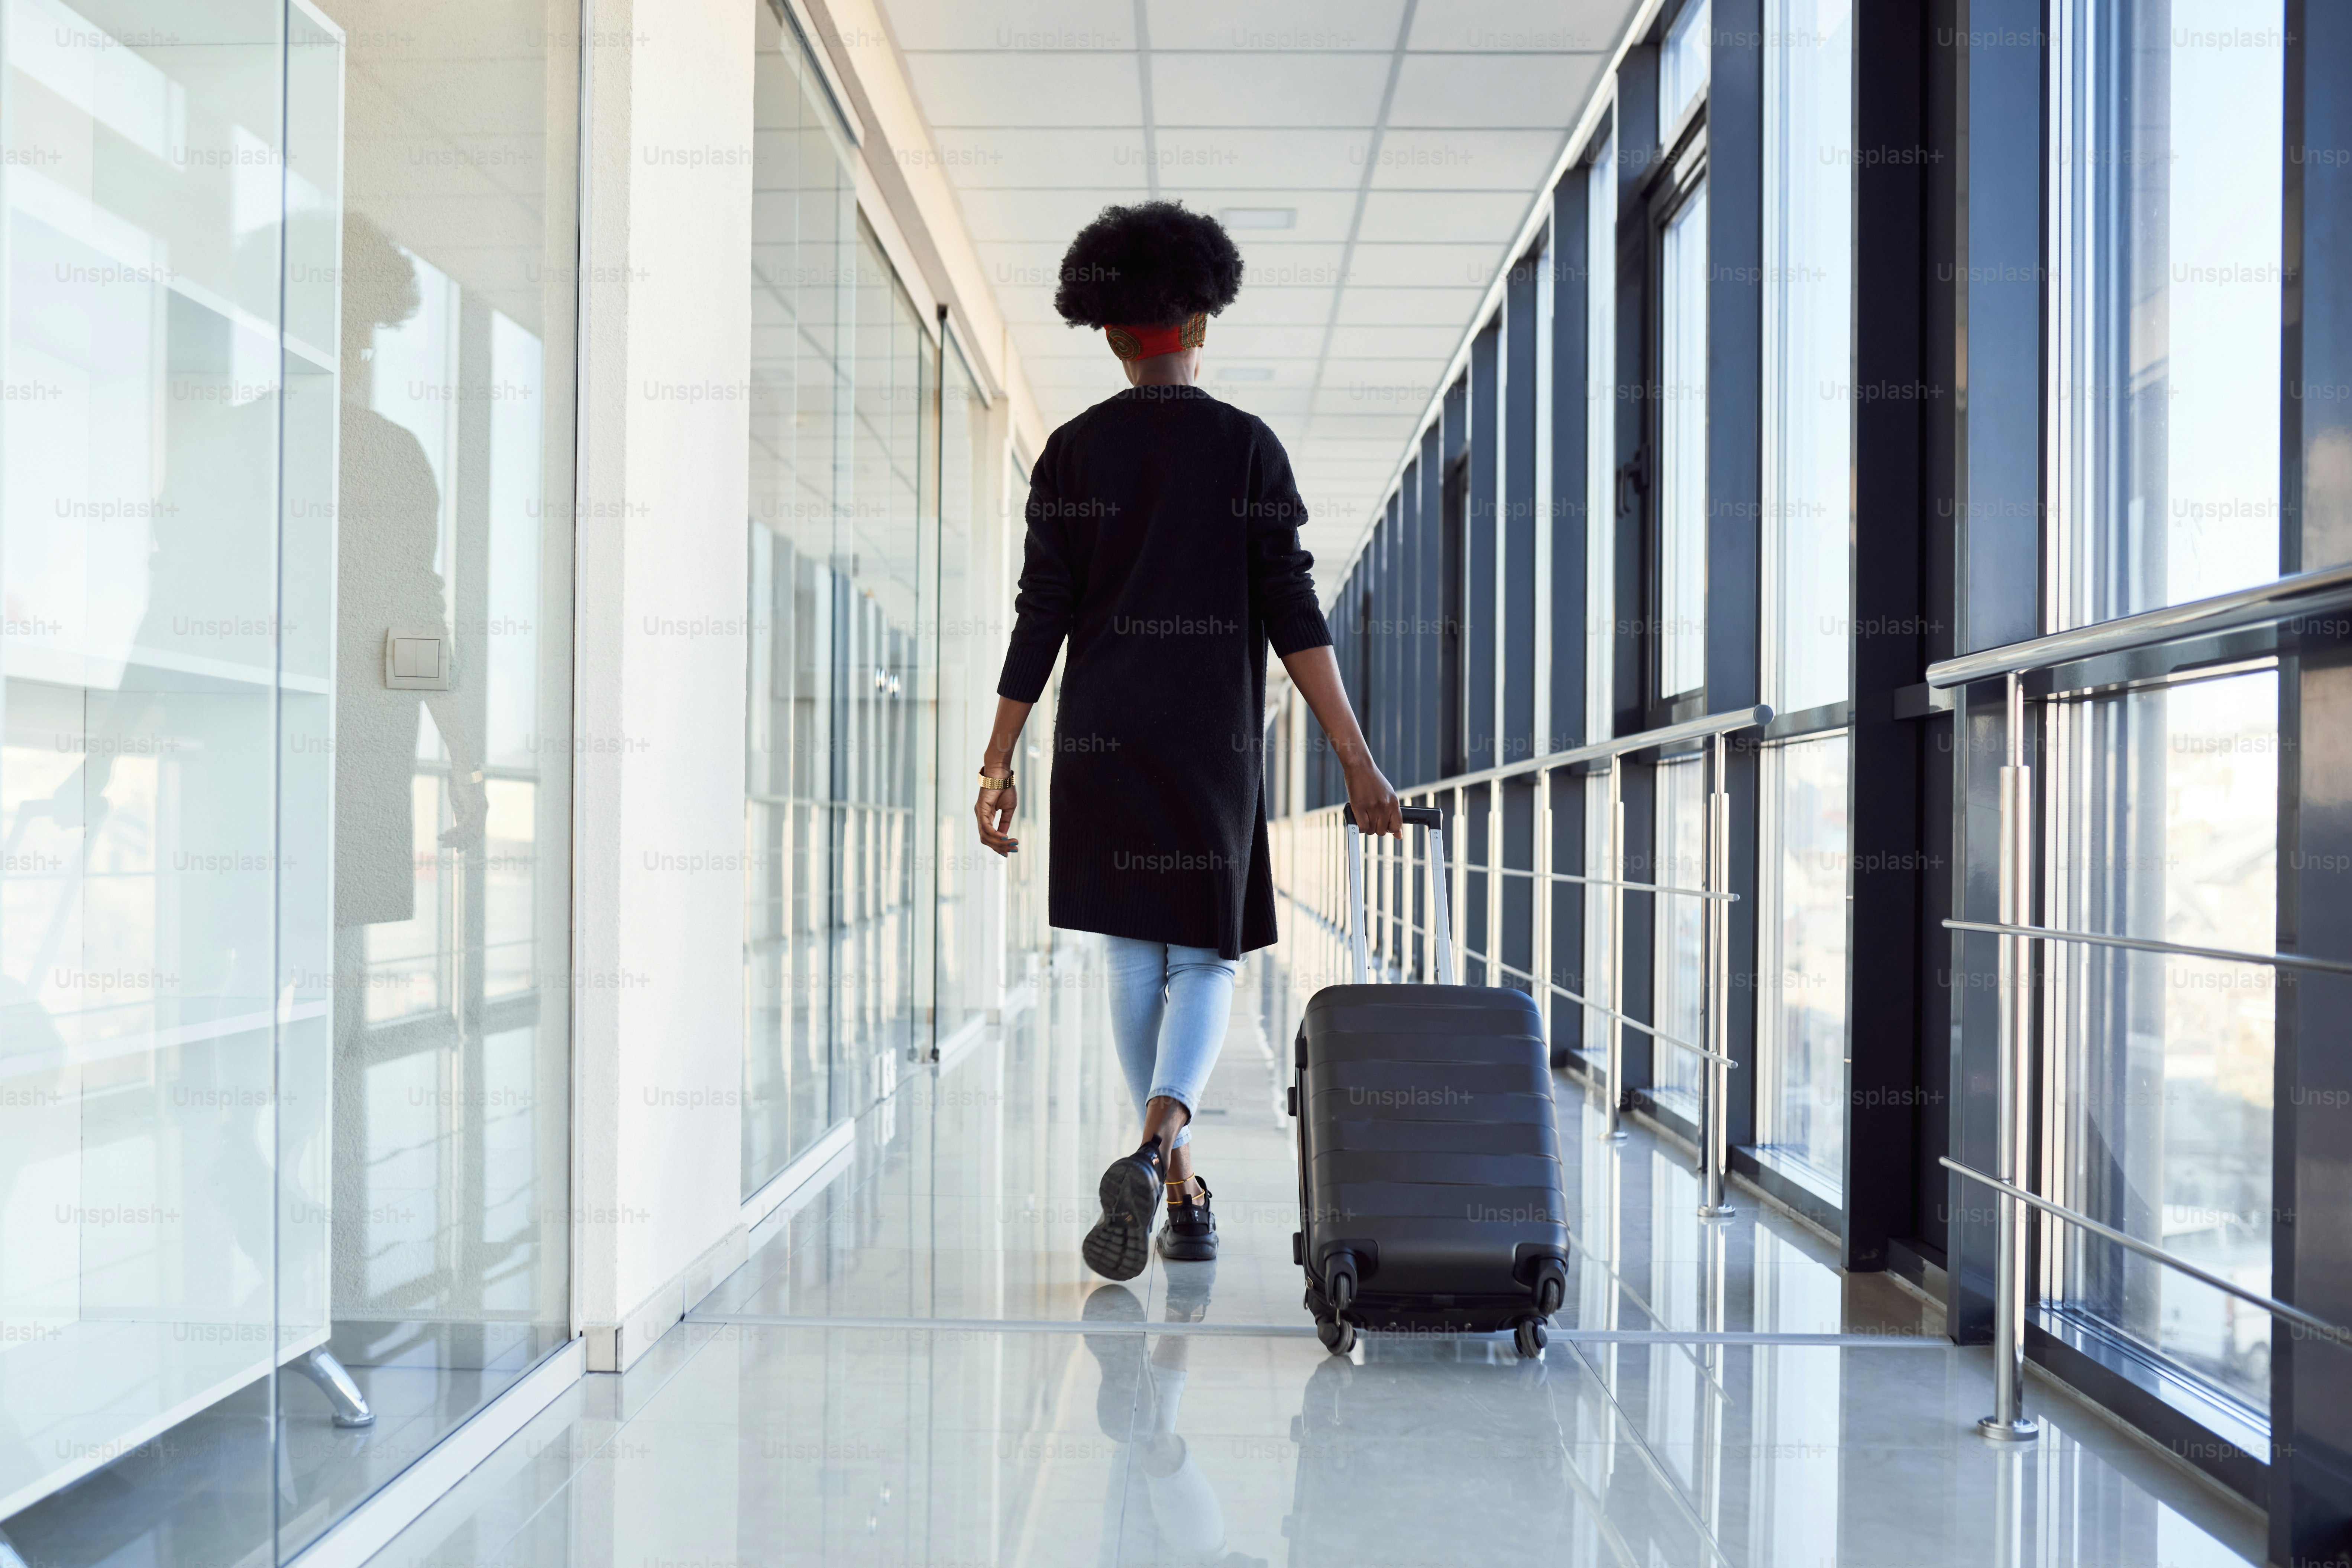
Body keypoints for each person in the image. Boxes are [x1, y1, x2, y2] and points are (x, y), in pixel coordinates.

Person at [974, 201, 1401, 1281]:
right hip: (1210, 741)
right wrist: (1354, 758)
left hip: (1101, 741)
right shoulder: (1245, 448)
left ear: (1111, 336)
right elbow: (1294, 614)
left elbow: (1042, 613)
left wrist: (997, 757)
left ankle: (1176, 1187)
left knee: (1133, 958)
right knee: (1202, 956)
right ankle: (1161, 1147)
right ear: (1199, 321)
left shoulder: (1071, 454)